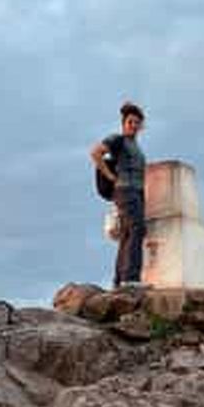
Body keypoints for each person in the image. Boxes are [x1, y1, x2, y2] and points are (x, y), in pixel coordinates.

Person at [90, 102, 147, 288]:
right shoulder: (117, 140)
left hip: (137, 191)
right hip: (125, 190)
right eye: (130, 122)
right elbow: (96, 153)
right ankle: (130, 278)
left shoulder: (135, 146)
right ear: (124, 124)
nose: (133, 125)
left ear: (141, 126)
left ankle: (119, 280)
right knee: (137, 229)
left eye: (137, 122)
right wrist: (110, 176)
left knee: (127, 233)